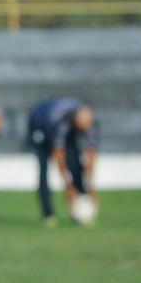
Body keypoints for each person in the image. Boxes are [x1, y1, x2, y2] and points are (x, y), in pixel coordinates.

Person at [27, 97, 100, 227]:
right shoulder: (61, 123)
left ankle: (81, 204)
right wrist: (68, 185)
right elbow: (59, 156)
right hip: (40, 123)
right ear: (74, 122)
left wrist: (91, 186)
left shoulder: (90, 124)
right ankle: (48, 214)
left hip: (63, 128)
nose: (82, 134)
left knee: (76, 165)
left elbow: (91, 155)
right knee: (43, 169)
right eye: (80, 130)